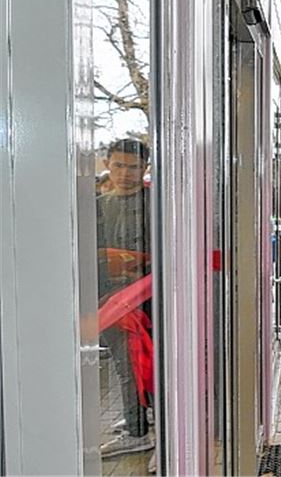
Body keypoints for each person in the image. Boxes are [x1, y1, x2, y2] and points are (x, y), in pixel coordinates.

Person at [96, 138, 155, 458]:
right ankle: (137, 423)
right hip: (111, 301)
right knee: (125, 365)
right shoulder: (97, 206)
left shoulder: (158, 204)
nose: (125, 173)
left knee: (153, 363)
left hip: (151, 301)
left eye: (133, 167)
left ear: (145, 168)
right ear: (107, 164)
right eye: (119, 165)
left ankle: (147, 429)